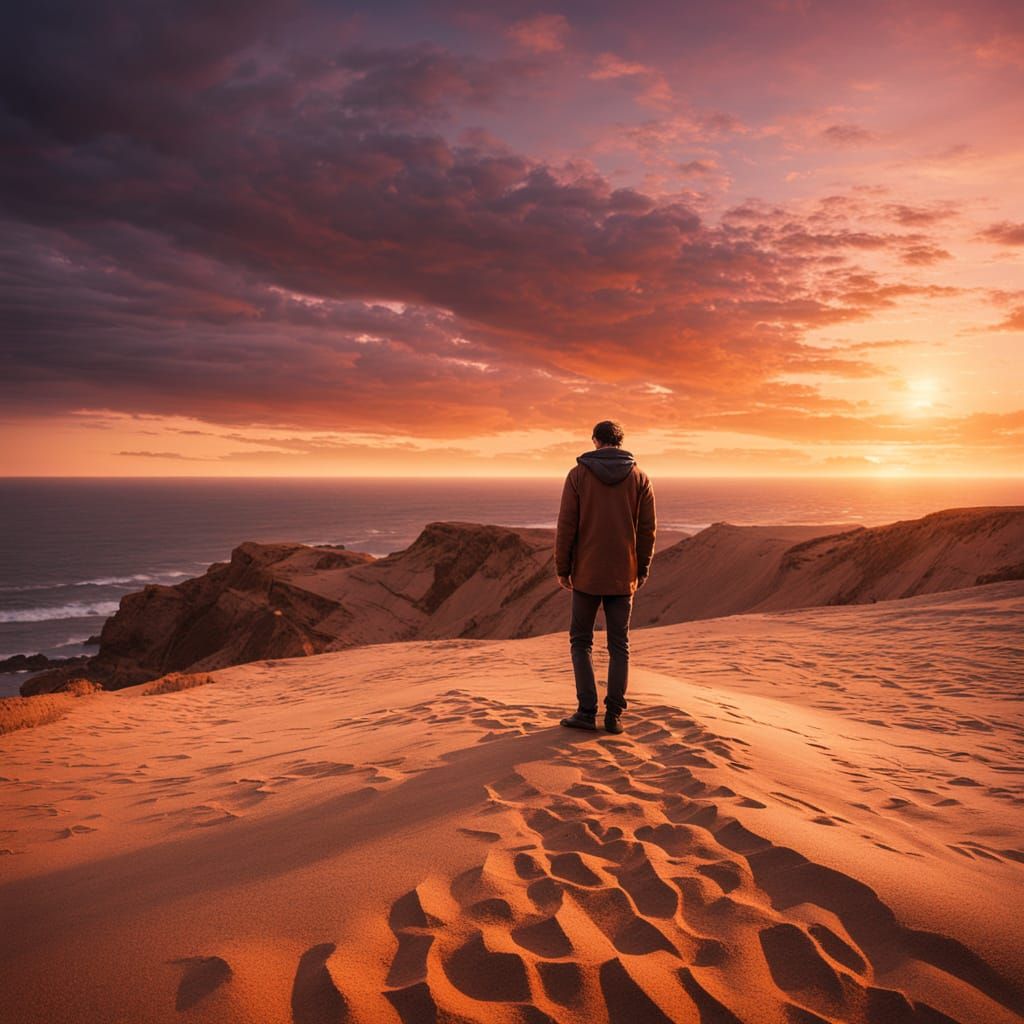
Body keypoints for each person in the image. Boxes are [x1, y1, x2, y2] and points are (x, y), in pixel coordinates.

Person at [554, 420, 656, 734]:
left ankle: (587, 712)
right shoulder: (639, 477)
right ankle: (614, 716)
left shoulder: (578, 475)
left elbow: (566, 526)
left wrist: (563, 569)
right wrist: (641, 570)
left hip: (586, 574)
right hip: (622, 575)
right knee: (619, 646)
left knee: (581, 642)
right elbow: (647, 531)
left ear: (596, 440)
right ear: (619, 442)